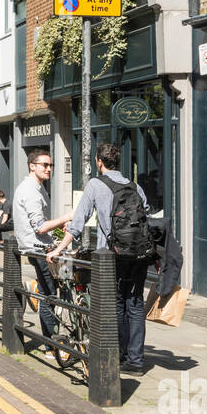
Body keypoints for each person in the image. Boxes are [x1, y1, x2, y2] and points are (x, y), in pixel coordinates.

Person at [48, 142, 154, 375]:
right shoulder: (134, 186)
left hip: (111, 257)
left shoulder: (95, 184)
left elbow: (78, 222)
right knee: (134, 304)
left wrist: (58, 249)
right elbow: (146, 217)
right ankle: (135, 361)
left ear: (99, 162)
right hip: (137, 255)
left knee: (114, 305)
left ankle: (116, 354)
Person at [12, 148, 72, 340]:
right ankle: (50, 344)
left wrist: (60, 224)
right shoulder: (30, 191)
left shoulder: (36, 188)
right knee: (50, 296)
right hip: (39, 249)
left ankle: (36, 290)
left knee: (64, 281)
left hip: (43, 246)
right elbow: (40, 227)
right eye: (44, 165)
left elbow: (43, 224)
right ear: (32, 166)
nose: (48, 169)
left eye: (50, 165)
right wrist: (67, 217)